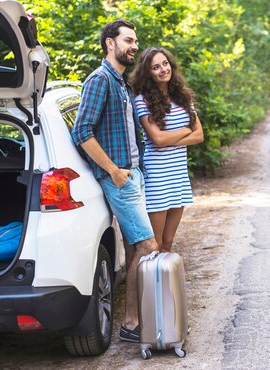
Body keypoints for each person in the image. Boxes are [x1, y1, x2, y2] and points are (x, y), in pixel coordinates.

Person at [71, 21, 190, 343]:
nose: (134, 46)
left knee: (135, 249)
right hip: (120, 177)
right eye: (129, 40)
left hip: (134, 175)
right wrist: (113, 171)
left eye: (135, 40)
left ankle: (140, 319)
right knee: (149, 245)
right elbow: (82, 131)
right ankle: (133, 322)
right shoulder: (99, 81)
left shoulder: (121, 83)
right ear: (110, 43)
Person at [129, 47, 204, 253]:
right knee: (156, 244)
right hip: (158, 176)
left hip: (178, 174)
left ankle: (164, 286)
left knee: (169, 242)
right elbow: (158, 139)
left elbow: (199, 135)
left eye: (165, 64)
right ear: (148, 73)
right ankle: (149, 286)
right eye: (155, 67)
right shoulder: (142, 100)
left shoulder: (183, 97)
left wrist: (173, 139)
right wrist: (187, 129)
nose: (163, 69)